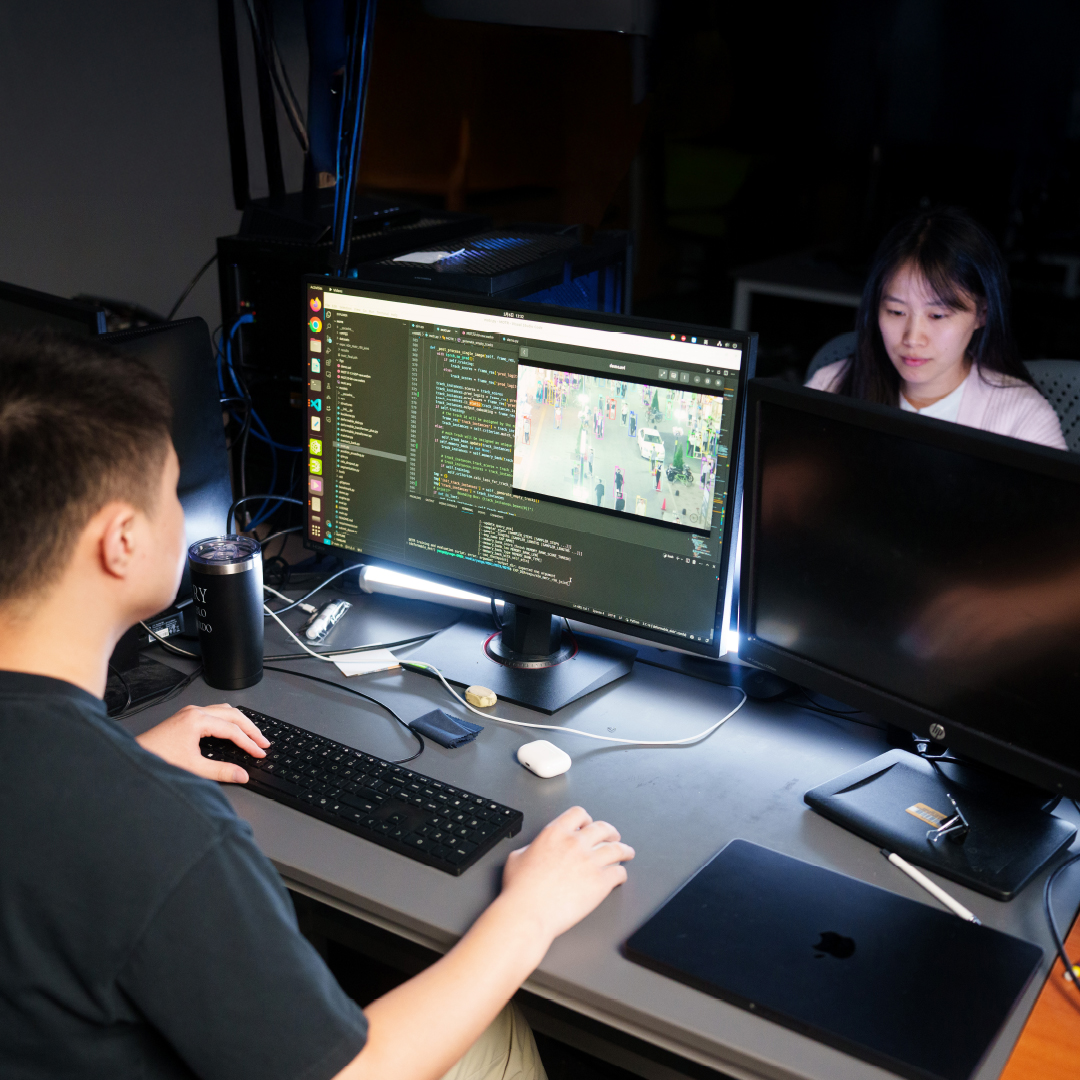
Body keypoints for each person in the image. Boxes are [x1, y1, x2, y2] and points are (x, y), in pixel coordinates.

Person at [0, 333, 635, 1080]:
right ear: (123, 542)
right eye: (171, 491)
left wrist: (117, 768)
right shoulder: (162, 833)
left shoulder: (96, 796)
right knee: (500, 1042)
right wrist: (530, 911)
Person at [806, 207, 1067, 450]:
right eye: (896, 312)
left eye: (938, 315)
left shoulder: (1022, 421)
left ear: (982, 314)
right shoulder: (830, 386)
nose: (912, 338)